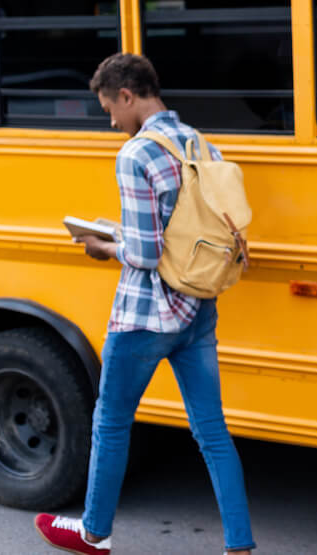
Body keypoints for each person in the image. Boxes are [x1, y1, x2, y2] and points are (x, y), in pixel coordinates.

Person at [33, 53, 254, 555]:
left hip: (145, 316)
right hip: (198, 307)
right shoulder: (201, 142)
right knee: (213, 432)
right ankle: (239, 545)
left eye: (111, 108)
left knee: (111, 423)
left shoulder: (135, 154)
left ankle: (95, 533)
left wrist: (105, 246)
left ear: (128, 95)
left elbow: (147, 253)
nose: (112, 120)